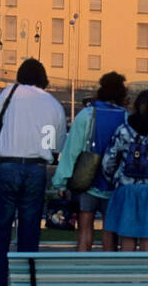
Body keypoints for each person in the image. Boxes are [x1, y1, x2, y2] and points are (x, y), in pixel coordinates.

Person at [0, 58, 67, 286]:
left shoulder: (11, 92)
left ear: (20, 75)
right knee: (29, 237)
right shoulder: (54, 105)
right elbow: (56, 147)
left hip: (7, 167)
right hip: (36, 171)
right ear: (44, 79)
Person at [52, 71, 128, 252]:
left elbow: (72, 151)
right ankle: (109, 274)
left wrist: (61, 182)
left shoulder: (87, 115)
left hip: (86, 182)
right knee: (110, 233)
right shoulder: (125, 117)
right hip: (114, 184)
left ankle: (82, 270)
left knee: (85, 229)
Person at [102, 89, 148, 251]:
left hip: (126, 188)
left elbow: (109, 161)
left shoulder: (124, 129)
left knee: (126, 240)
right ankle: (145, 274)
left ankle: (128, 274)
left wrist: (114, 180)